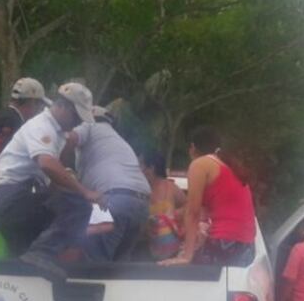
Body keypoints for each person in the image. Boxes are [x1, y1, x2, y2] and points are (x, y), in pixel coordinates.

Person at [0, 82, 102, 270]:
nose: (78, 123)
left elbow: (52, 183)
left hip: (14, 201)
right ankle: (42, 253)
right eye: (77, 117)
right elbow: (47, 164)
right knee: (79, 206)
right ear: (63, 107)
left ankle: (39, 259)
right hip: (11, 199)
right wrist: (85, 192)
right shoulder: (43, 126)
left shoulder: (56, 134)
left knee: (27, 264)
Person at [62, 106, 151, 262]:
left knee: (94, 261)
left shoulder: (89, 125)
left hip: (114, 199)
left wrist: (51, 162)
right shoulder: (118, 140)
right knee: (118, 268)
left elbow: (68, 140)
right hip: (141, 203)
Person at [159, 127, 256, 267]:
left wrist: (187, 255)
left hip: (225, 241)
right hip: (245, 245)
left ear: (192, 148)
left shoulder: (200, 164)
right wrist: (169, 217)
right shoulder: (226, 167)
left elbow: (193, 212)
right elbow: (192, 210)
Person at [0, 78, 49, 234]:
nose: (39, 110)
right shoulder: (11, 120)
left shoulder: (3, 116)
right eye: (39, 104)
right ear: (31, 102)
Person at [140, 150, 185, 260]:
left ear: (151, 168)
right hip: (147, 251)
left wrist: (175, 215)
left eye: (141, 164)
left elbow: (189, 207)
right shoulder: (141, 191)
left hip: (174, 252)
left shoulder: (170, 187)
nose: (138, 169)